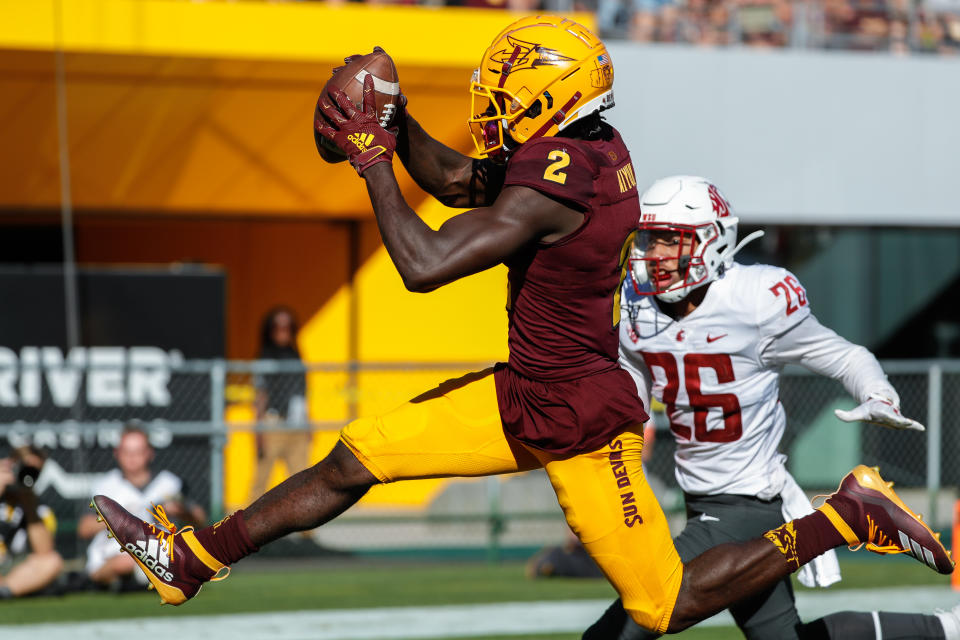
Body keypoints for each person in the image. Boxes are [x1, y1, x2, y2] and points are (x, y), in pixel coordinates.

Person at [90, 16, 953, 633]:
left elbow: (423, 266)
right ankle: (194, 561)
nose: (497, 101)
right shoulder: (583, 148)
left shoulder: (558, 185)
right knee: (357, 455)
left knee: (663, 606)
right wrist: (400, 126)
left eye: (511, 91)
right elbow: (470, 184)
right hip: (525, 391)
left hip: (581, 419)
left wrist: (371, 161)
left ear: (557, 97)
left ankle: (848, 517)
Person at [582, 175, 960, 639]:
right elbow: (634, 398)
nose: (653, 254)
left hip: (746, 503)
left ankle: (848, 515)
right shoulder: (637, 310)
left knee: (632, 622)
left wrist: (877, 393)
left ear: (711, 242)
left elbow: (845, 355)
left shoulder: (754, 299)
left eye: (668, 240)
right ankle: (944, 630)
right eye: (648, 239)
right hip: (702, 501)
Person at [78, 424, 206, 590]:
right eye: (127, 452)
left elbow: (200, 518)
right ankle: (131, 579)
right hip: (113, 556)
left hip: (159, 554)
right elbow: (84, 529)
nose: (132, 458)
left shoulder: (168, 484)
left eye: (138, 452)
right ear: (117, 453)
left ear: (149, 453)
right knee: (127, 561)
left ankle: (140, 579)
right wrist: (119, 516)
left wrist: (182, 511)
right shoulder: (105, 486)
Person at [251, 306, 310, 498]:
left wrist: (309, 423)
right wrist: (259, 429)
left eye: (288, 327)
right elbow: (260, 394)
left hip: (297, 423)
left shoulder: (296, 355)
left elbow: (302, 392)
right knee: (261, 479)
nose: (283, 332)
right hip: (273, 422)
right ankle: (246, 525)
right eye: (278, 327)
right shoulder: (265, 357)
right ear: (270, 330)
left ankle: (306, 527)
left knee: (302, 479)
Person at [0, 446, 63, 599]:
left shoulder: (41, 510)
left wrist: (29, 504)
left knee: (53, 562)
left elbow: (44, 552)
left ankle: (4, 591)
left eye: (34, 471)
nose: (26, 473)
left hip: (8, 569)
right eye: (23, 467)